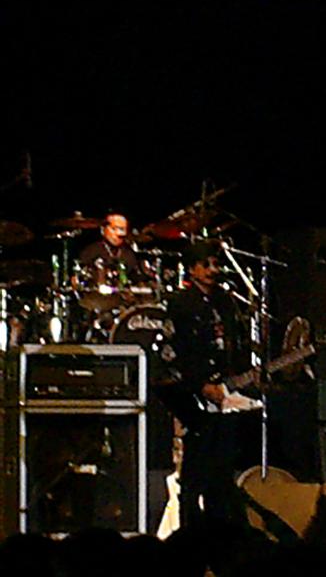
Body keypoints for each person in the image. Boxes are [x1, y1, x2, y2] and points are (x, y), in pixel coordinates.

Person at [159, 240, 251, 527]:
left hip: (225, 392)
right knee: (195, 468)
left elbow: (236, 344)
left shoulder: (226, 301)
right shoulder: (180, 303)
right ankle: (189, 530)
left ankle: (219, 528)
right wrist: (199, 385)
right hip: (194, 394)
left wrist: (241, 377)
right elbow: (171, 353)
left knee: (222, 470)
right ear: (192, 269)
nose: (213, 270)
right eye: (206, 265)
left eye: (216, 264)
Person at [78, 212, 145, 284]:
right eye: (114, 229)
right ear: (103, 230)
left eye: (122, 229)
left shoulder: (130, 254)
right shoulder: (91, 252)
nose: (119, 233)